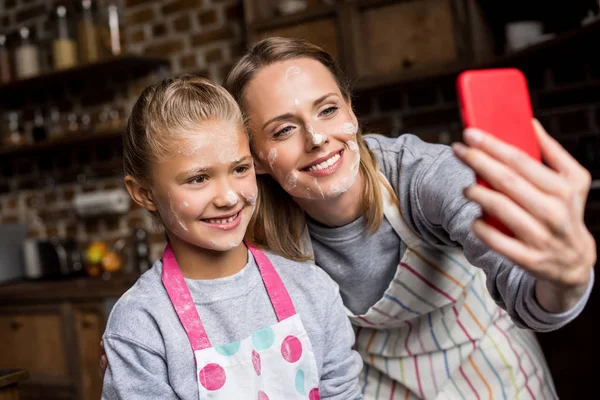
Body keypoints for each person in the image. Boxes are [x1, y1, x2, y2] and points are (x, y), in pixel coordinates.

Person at [220, 37, 597, 399]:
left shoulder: (424, 176)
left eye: (328, 109)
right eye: (284, 129)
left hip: (490, 364)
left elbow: (527, 290)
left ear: (351, 109)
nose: (316, 138)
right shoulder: (261, 235)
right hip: (379, 382)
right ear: (255, 158)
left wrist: (565, 279)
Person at [101, 75, 363, 399]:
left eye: (240, 169)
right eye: (198, 178)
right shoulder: (140, 326)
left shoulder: (312, 289)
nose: (228, 197)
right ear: (145, 193)